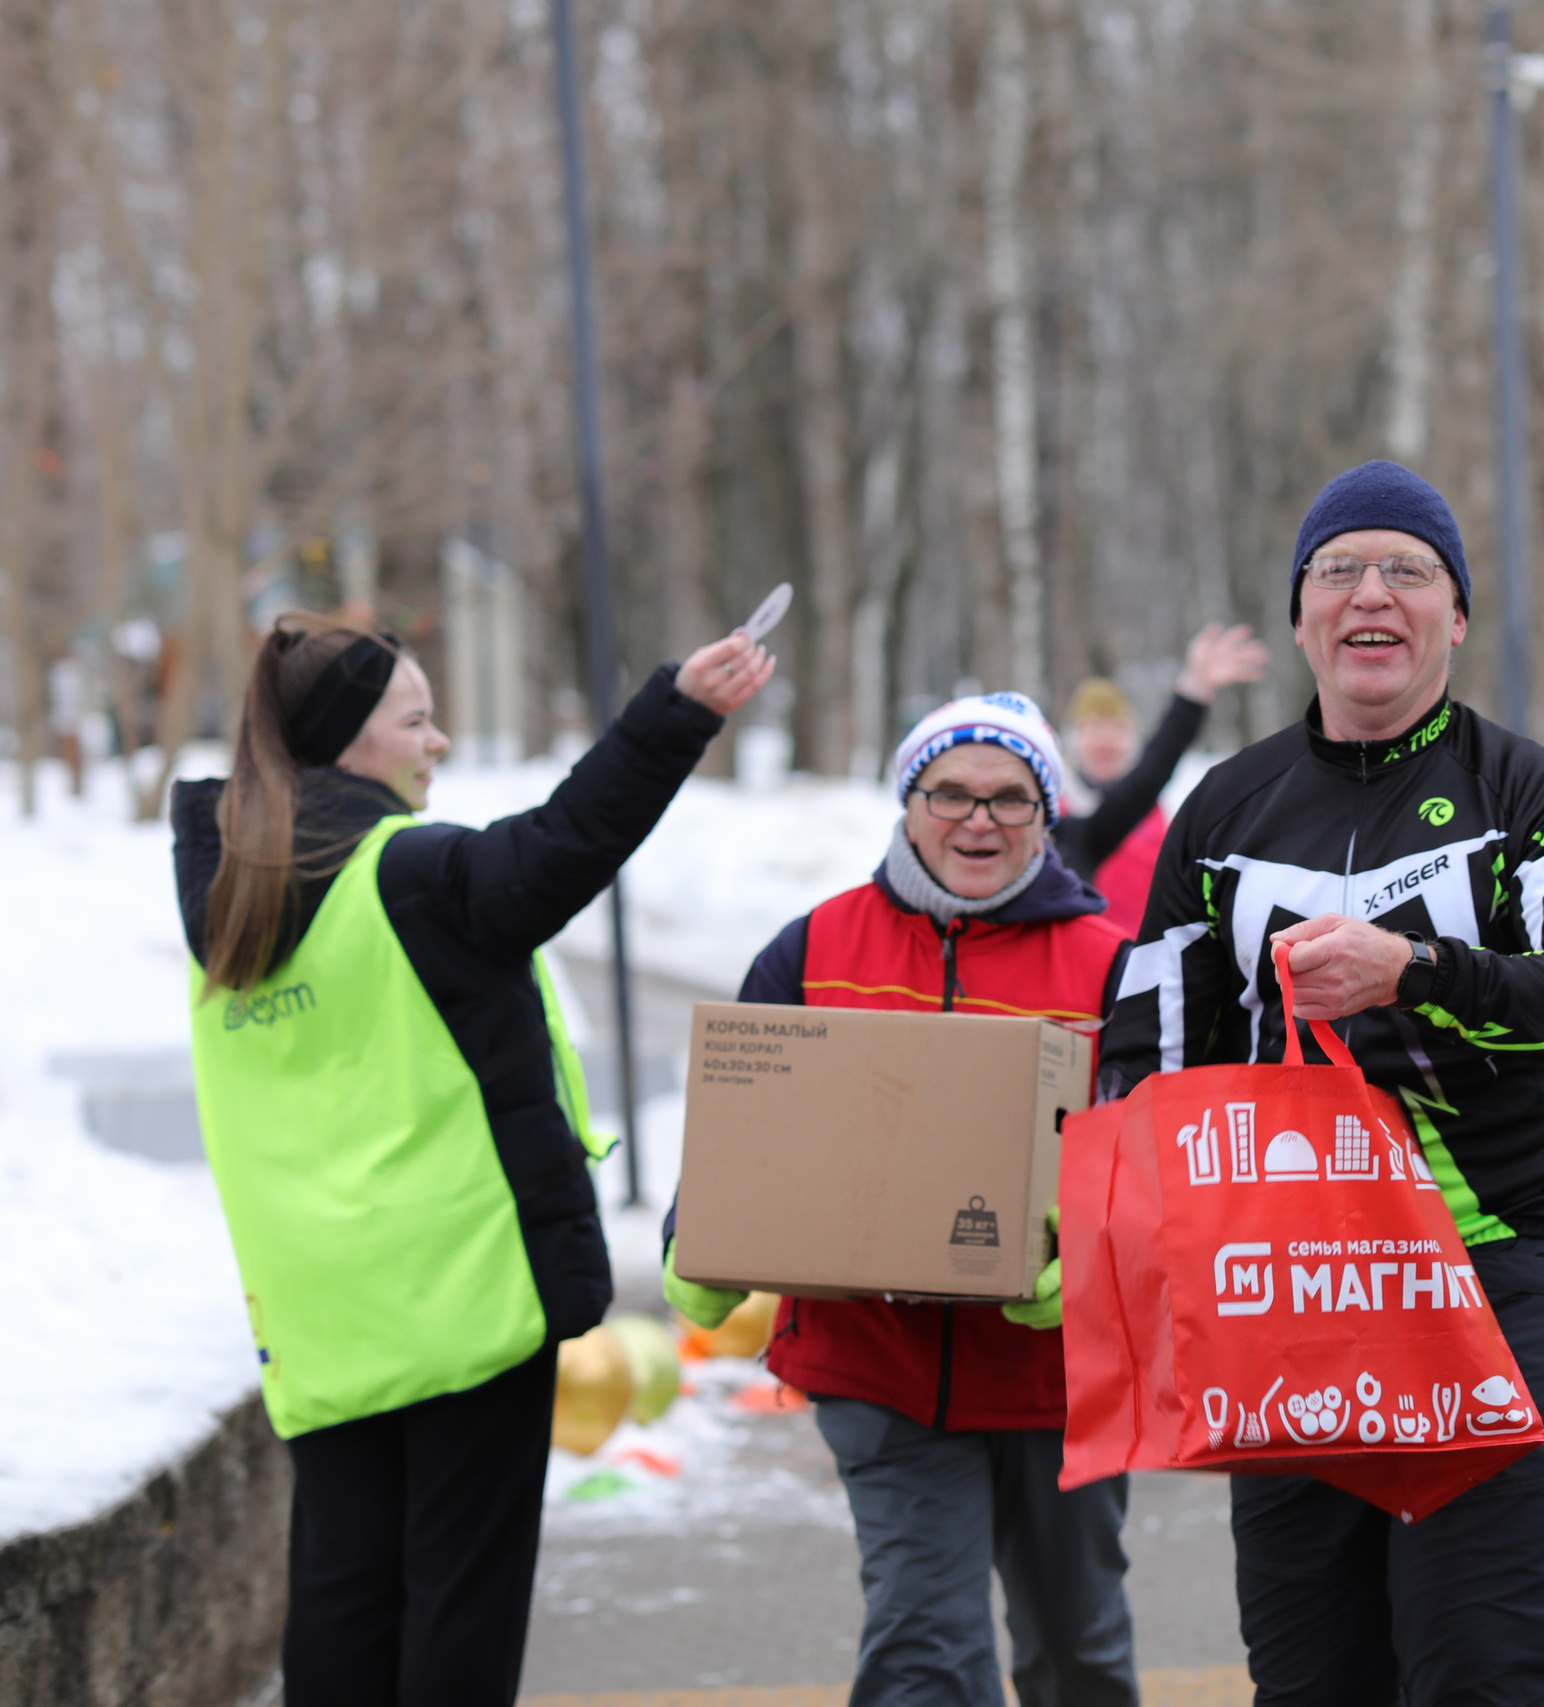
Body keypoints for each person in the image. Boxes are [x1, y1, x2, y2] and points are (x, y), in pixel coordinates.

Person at [1096, 460, 1544, 1706]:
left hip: (1487, 1277)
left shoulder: (1530, 795)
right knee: (1311, 1682)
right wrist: (1136, 1240)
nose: (1369, 595)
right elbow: (1145, 1052)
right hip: (1288, 1301)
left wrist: (1419, 973)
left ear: (1455, 616)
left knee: (1477, 1674)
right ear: (1298, 619)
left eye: (1407, 569)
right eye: (1337, 571)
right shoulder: (1223, 813)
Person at [175, 614, 772, 1704]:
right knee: (461, 1606)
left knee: (344, 1600)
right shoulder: (406, 876)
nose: (438, 741)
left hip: (323, 1319)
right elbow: (564, 844)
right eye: (416, 719)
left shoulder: (232, 908)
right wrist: (674, 715)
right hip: (460, 1298)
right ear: (350, 741)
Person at [663, 692, 1139, 1707]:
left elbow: (1154, 1163)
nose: (978, 820)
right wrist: (689, 1237)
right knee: (925, 1646)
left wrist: (1089, 1251)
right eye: (950, 794)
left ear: (1047, 816)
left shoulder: (1109, 965)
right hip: (876, 1367)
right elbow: (736, 1129)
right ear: (906, 803)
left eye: (1011, 799)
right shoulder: (814, 948)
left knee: (1078, 1647)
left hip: (1059, 1377)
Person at [1056, 622, 1268, 933]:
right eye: (1094, 728)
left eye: (1116, 729)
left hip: (1144, 953)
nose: (1105, 740)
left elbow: (1158, 762)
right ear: (1074, 740)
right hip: (1084, 956)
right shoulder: (1056, 817)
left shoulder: (1150, 812)